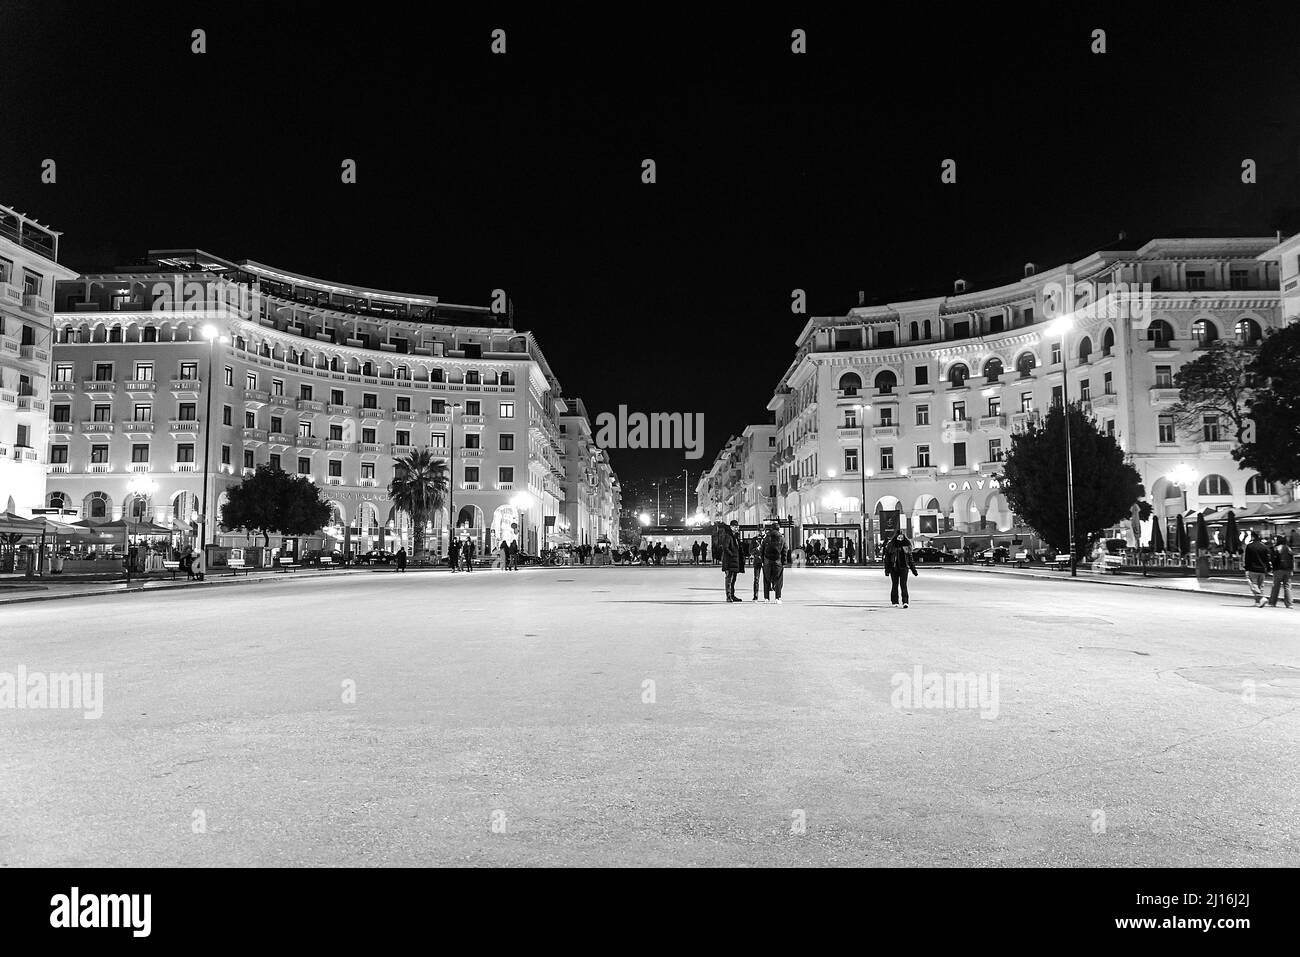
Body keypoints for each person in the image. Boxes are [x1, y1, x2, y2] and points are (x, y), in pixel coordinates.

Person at [883, 530, 918, 608]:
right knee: (894, 585)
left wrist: (914, 570)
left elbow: (910, 558)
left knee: (904, 585)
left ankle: (905, 602)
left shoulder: (906, 546)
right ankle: (895, 601)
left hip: (904, 568)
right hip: (894, 568)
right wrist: (887, 570)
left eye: (901, 537)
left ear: (904, 537)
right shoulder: (891, 545)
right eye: (898, 537)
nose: (900, 539)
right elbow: (887, 559)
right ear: (896, 537)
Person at [716, 519, 744, 602]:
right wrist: (732, 555)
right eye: (735, 527)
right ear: (731, 527)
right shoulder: (728, 536)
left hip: (735, 561)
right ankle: (728, 596)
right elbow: (725, 547)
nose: (737, 528)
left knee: (733, 579)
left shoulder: (735, 536)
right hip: (729, 561)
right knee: (729, 579)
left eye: (737, 526)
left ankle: (732, 595)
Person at [1243, 530, 1272, 607]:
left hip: (1253, 569)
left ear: (1252, 536)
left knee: (1254, 585)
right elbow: (1267, 559)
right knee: (1260, 586)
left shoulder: (1249, 546)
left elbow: (1247, 559)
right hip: (1262, 569)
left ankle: (1261, 598)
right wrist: (1268, 568)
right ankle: (1258, 602)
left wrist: (1246, 568)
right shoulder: (1264, 547)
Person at [1267, 535, 1293, 609]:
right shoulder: (1289, 548)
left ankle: (1272, 602)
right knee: (1287, 586)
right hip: (1288, 570)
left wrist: (1272, 568)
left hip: (1278, 569)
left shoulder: (1276, 548)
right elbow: (1292, 560)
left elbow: (1273, 560)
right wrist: (1291, 569)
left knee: (1276, 586)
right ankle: (1289, 603)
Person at [762, 525, 785, 603]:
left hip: (767, 561)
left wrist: (763, 561)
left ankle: (766, 598)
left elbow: (762, 549)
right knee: (778, 579)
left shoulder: (766, 537)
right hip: (777, 561)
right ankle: (777, 598)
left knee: (766, 579)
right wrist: (783, 562)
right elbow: (784, 550)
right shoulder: (781, 538)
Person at [750, 535, 764, 600]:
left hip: (765, 561)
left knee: (767, 579)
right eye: (759, 530)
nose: (761, 532)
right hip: (757, 561)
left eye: (762, 530)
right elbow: (750, 551)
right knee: (756, 579)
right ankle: (755, 595)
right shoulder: (754, 539)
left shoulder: (767, 538)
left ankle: (766, 596)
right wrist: (756, 549)